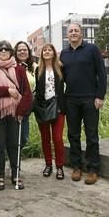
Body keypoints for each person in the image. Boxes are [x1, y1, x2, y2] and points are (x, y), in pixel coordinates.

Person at [60, 22, 107, 185]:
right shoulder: (63, 54)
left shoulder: (92, 49)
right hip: (71, 99)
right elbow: (61, 78)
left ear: (81, 34)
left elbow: (102, 73)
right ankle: (77, 167)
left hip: (90, 98)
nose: (73, 33)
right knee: (73, 134)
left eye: (76, 31)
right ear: (67, 35)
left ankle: (93, 169)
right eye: (70, 31)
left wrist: (100, 96)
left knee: (91, 135)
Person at [0, 40, 33, 190]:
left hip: (14, 114)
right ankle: (0, 175)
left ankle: (15, 174)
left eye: (6, 49)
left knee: (14, 145)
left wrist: (20, 112)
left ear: (11, 52)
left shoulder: (19, 69)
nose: (3, 52)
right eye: (0, 50)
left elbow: (27, 93)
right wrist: (7, 91)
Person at [34, 43, 66, 180]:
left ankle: (60, 166)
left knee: (57, 138)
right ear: (42, 54)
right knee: (45, 138)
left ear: (54, 53)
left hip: (58, 106)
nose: (47, 52)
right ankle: (48, 164)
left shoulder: (61, 68)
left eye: (50, 50)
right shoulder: (38, 70)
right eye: (44, 50)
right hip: (42, 107)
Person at [14, 41, 36, 148]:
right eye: (19, 50)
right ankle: (13, 161)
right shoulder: (12, 66)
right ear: (15, 52)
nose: (22, 52)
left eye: (25, 50)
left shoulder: (34, 67)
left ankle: (15, 159)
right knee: (14, 137)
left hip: (26, 106)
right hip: (13, 105)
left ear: (29, 52)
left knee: (24, 137)